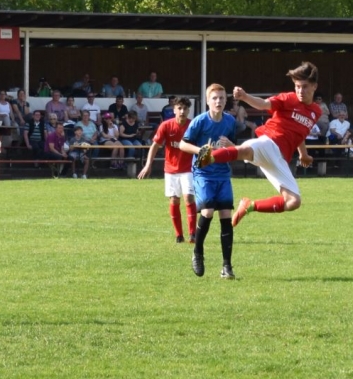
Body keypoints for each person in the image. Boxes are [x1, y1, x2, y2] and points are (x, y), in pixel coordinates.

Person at [198, 62, 322, 228]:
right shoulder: (288, 98)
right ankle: (208, 157)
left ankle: (249, 205)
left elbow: (299, 133)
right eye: (297, 86)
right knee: (244, 151)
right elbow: (263, 104)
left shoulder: (316, 111)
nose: (300, 91)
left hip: (279, 159)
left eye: (304, 86)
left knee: (293, 201)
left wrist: (303, 154)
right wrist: (244, 96)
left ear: (314, 86)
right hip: (269, 141)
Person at [178, 84, 237, 278]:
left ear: (226, 101)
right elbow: (183, 144)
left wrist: (231, 146)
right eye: (215, 98)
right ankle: (197, 253)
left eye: (222, 98)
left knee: (226, 216)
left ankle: (227, 266)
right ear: (207, 101)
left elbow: (234, 149)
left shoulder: (230, 121)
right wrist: (201, 151)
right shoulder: (200, 121)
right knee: (208, 211)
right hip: (203, 173)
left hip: (223, 173)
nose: (218, 101)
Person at [138, 97, 197, 244]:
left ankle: (193, 234)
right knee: (174, 199)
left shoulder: (193, 126)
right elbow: (155, 145)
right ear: (174, 109)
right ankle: (179, 235)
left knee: (189, 198)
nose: (182, 111)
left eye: (185, 109)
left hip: (188, 168)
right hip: (171, 169)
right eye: (179, 108)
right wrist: (148, 165)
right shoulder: (166, 125)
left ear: (188, 110)